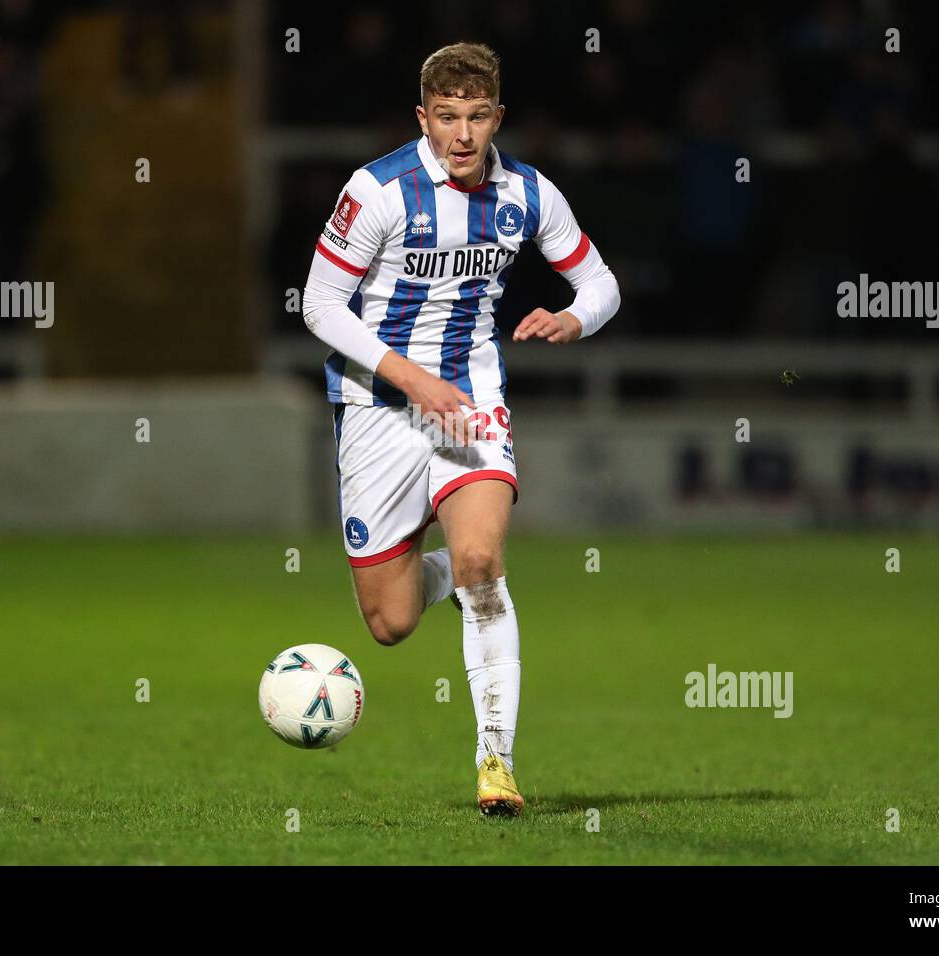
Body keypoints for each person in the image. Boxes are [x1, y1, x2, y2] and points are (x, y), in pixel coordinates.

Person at [301, 41, 620, 816]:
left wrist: (575, 316)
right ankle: (435, 570)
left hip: (469, 398)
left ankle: (496, 762)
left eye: (478, 116)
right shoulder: (376, 191)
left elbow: (600, 280)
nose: (464, 133)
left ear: (498, 116)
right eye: (447, 116)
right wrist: (408, 378)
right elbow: (318, 306)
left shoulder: (528, 193)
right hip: (379, 407)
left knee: (483, 561)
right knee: (391, 622)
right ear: (423, 117)